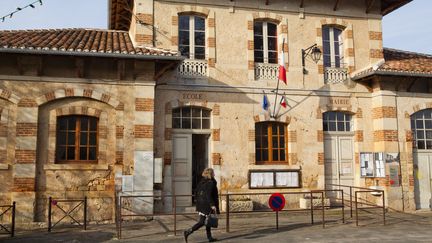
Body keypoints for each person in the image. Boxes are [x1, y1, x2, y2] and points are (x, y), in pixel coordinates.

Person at [184, 167, 220, 242]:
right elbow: (208, 194)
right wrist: (212, 205)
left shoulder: (202, 182)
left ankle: (209, 237)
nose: (214, 174)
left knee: (208, 220)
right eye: (213, 173)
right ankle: (188, 231)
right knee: (202, 222)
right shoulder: (210, 183)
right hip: (206, 205)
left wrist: (198, 201)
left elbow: (196, 192)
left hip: (201, 204)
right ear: (210, 174)